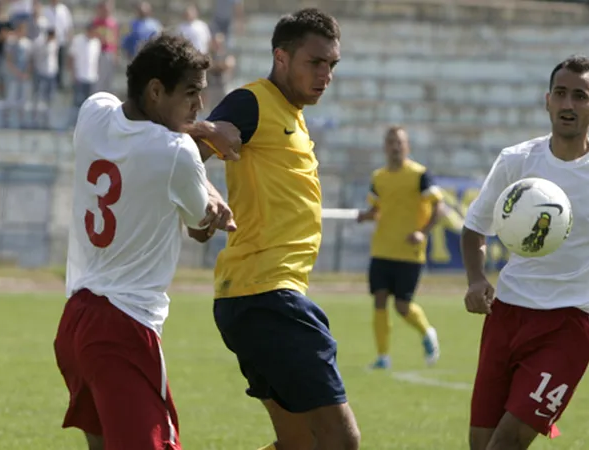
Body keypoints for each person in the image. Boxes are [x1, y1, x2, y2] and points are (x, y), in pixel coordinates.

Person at [460, 55, 589, 450]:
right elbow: (474, 227)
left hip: (567, 328)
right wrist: (476, 280)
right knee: (481, 443)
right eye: (560, 93)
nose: (568, 104)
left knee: (505, 444)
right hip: (505, 316)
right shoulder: (516, 161)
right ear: (547, 101)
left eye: (580, 96)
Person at [53, 33, 241, 450]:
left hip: (76, 319)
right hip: (124, 325)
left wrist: (199, 138)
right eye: (190, 93)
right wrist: (210, 145)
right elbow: (199, 227)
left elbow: (152, 140)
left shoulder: (92, 111)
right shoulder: (176, 152)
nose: (199, 106)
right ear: (156, 90)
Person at [202, 8, 360, 450]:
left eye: (332, 64)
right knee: (340, 442)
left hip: (255, 297)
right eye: (315, 62)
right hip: (267, 295)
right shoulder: (251, 102)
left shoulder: (293, 113)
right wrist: (207, 197)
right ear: (281, 58)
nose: (326, 75)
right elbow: (189, 150)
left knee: (299, 445)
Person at [356, 125, 443, 370]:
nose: (395, 147)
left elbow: (439, 207)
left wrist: (422, 232)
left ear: (407, 146)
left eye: (399, 142)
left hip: (409, 252)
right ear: (385, 147)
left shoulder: (420, 175)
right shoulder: (379, 177)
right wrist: (366, 216)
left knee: (402, 306)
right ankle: (383, 357)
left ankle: (427, 332)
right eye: (391, 142)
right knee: (379, 300)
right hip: (382, 249)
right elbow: (377, 209)